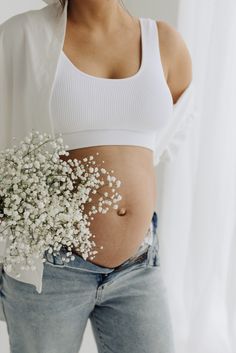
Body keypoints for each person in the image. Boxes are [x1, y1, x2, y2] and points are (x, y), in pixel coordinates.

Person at [0, 0, 197, 352]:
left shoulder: (164, 42)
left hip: (138, 266)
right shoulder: (23, 36)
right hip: (51, 270)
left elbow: (170, 132)